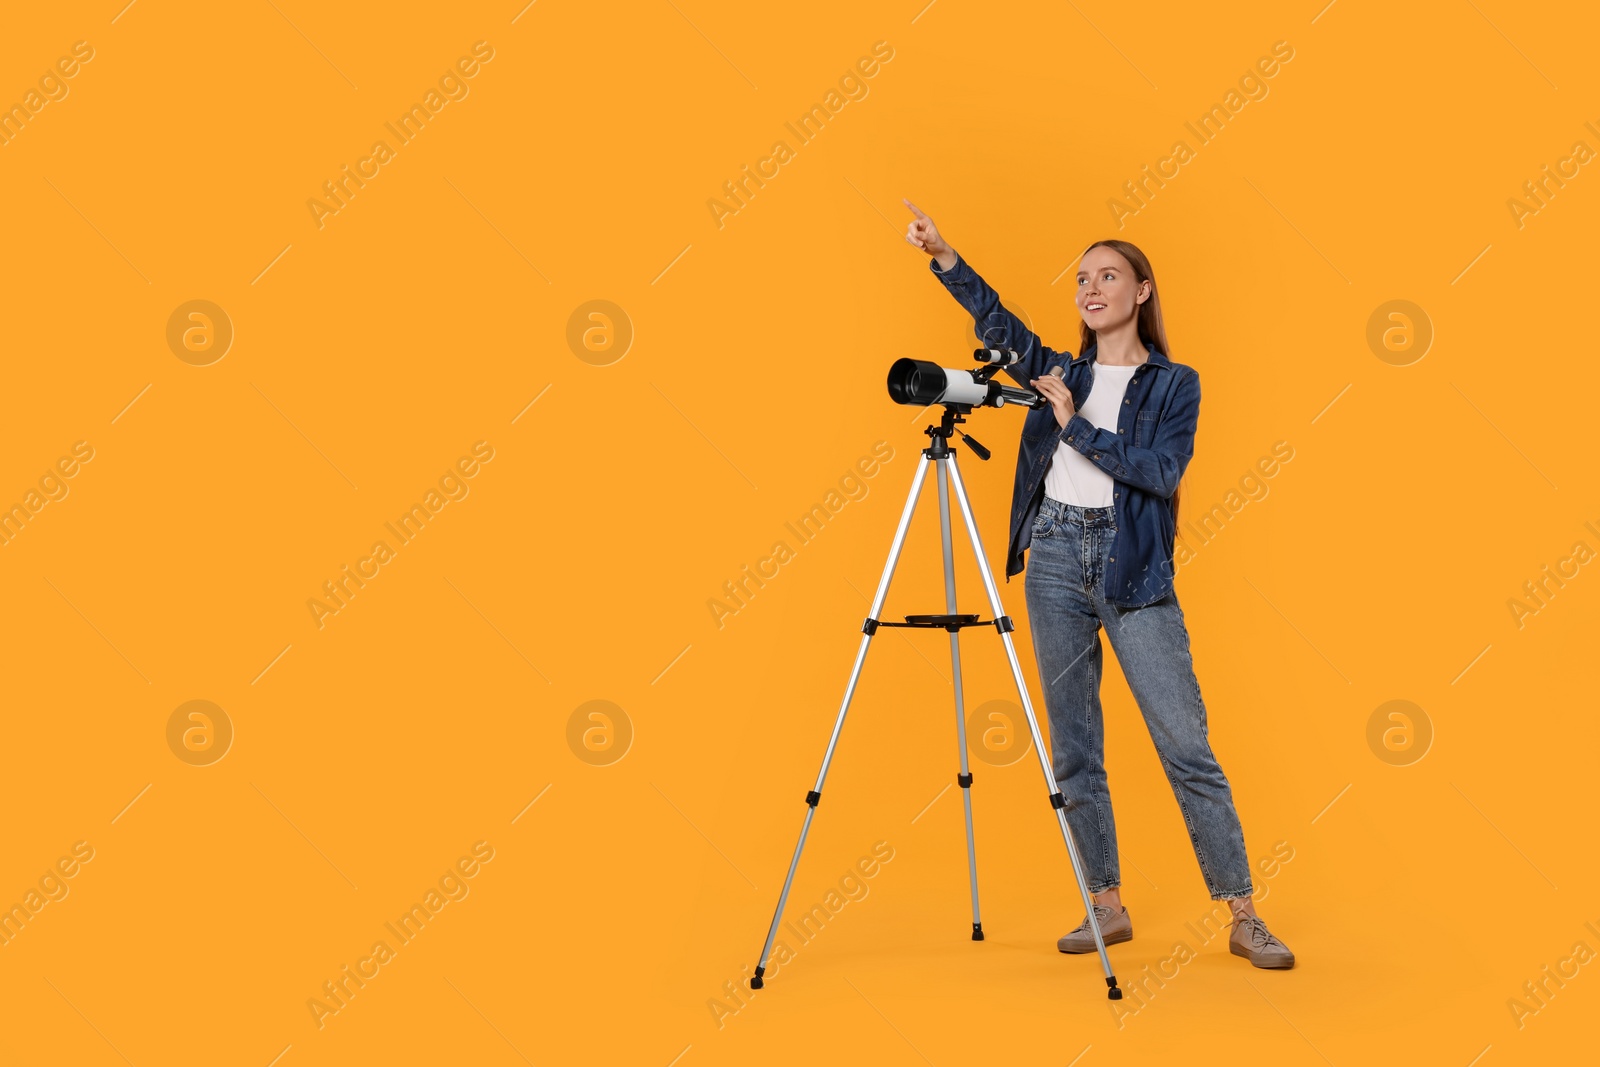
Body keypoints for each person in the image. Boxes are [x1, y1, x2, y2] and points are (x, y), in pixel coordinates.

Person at [902, 199, 1294, 969]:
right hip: (1051, 556)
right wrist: (944, 252)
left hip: (1131, 565)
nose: (1091, 287)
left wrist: (1075, 423)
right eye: (1082, 277)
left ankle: (1244, 913)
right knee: (1074, 748)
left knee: (1185, 744)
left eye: (1108, 275)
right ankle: (1106, 904)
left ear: (1142, 291)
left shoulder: (1174, 384)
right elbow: (997, 322)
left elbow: (1160, 471)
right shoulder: (1060, 369)